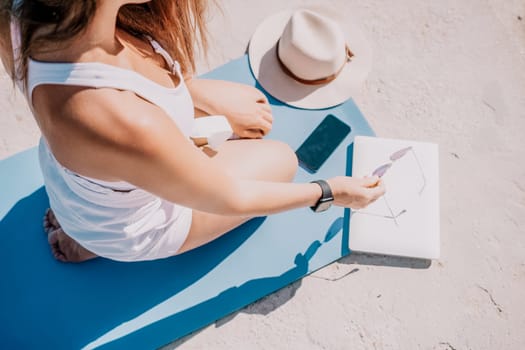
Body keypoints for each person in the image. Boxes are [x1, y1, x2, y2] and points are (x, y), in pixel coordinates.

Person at [0, 0, 385, 263]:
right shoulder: (123, 121)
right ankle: (91, 241)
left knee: (235, 114)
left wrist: (195, 96)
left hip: (78, 180)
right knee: (282, 160)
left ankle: (81, 225)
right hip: (125, 222)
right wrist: (329, 192)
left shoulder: (19, 15)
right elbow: (230, 197)